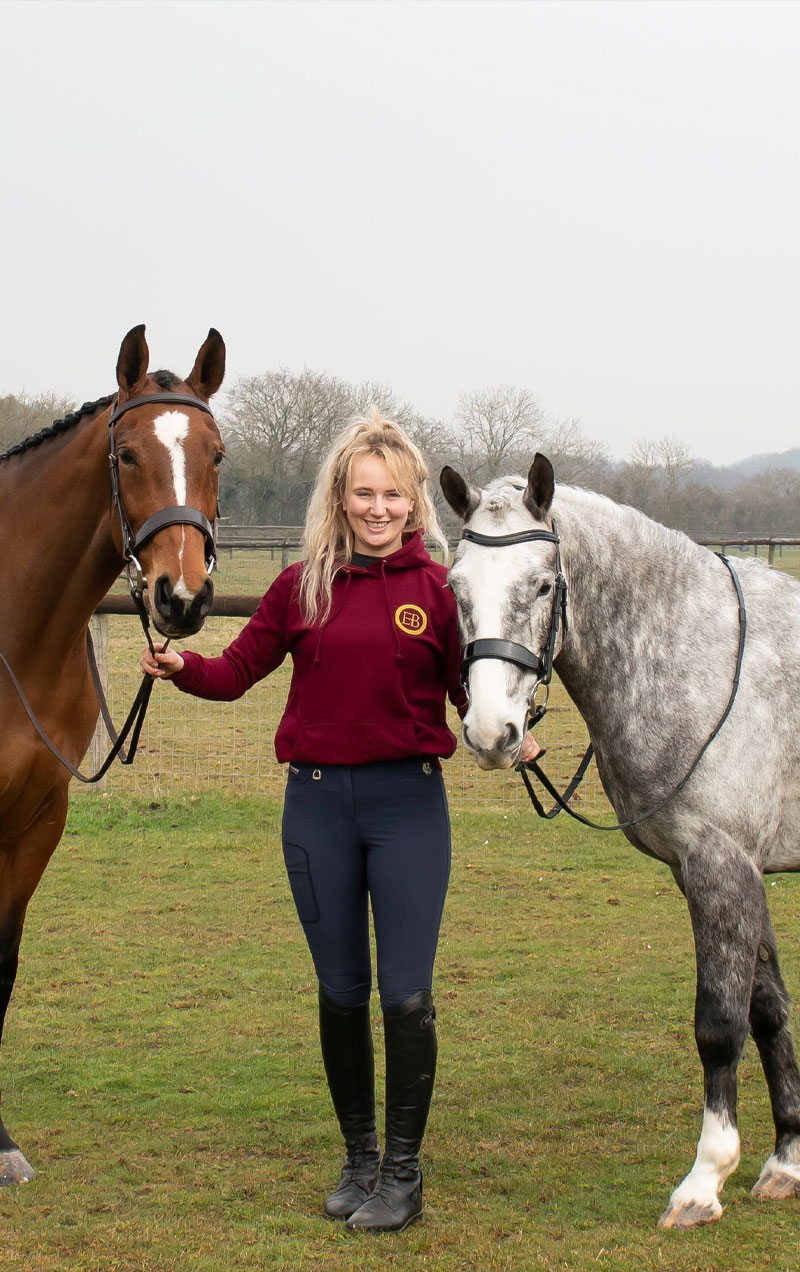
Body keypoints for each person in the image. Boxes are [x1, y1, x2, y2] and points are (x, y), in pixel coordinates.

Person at [141, 412, 540, 1232]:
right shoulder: (301, 587)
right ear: (340, 496)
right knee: (340, 992)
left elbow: (473, 699)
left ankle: (403, 1171)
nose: (378, 508)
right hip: (317, 809)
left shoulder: (437, 591)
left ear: (413, 501)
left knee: (405, 995)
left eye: (392, 494)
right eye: (364, 492)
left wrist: (515, 739)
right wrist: (183, 667)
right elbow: (236, 672)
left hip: (408, 810)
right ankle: (359, 1159)